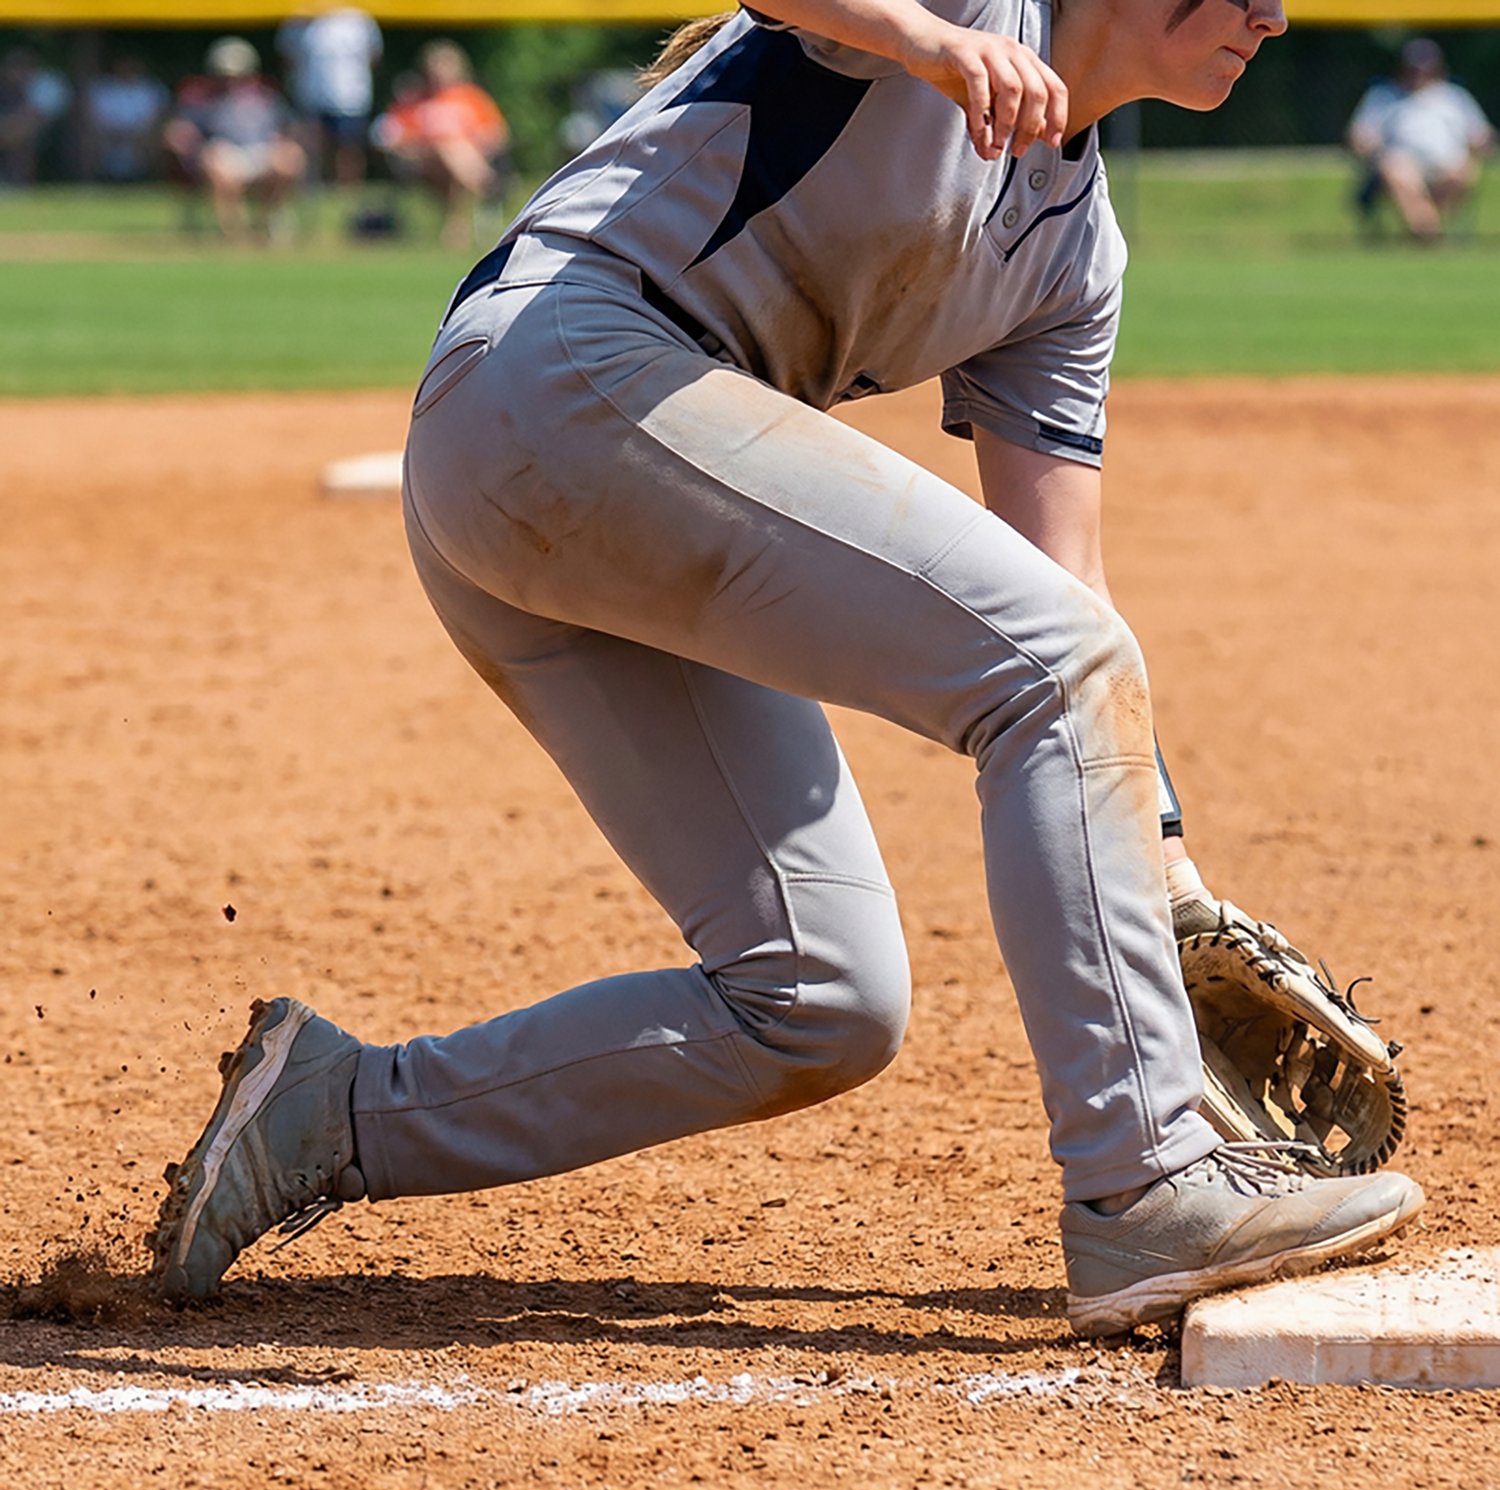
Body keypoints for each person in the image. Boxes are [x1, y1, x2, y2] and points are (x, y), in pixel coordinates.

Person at [153, 0, 1425, 1338]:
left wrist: (1159, 869)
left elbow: (1069, 593)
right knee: (1050, 672)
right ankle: (1148, 1180)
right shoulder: (970, 13)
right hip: (561, 381)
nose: (1272, 16)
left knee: (821, 996)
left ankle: (327, 1115)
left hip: (594, 484)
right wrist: (928, 45)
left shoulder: (1075, 252)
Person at [1347, 37, 1495, 241]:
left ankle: (1424, 231)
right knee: (1395, 168)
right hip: (1402, 165)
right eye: (1413, 68)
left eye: (1425, 68)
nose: (1419, 74)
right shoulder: (1383, 95)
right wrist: (1368, 147)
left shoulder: (1454, 96)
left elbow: (1480, 133)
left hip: (1446, 165)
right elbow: (1360, 133)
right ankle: (1429, 232)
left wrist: (1483, 143)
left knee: (1465, 170)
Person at [163, 37, 306, 242]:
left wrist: (285, 141)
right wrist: (182, 138)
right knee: (215, 160)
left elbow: (290, 127)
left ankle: (269, 218)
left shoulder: (266, 97)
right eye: (225, 74)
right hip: (224, 153)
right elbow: (180, 130)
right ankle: (234, 232)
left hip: (262, 151)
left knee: (291, 157)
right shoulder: (201, 99)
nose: (231, 80)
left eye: (238, 74)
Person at [370, 39, 508, 247]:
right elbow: (387, 136)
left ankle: (456, 225)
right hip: (422, 164)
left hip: (463, 161)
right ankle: (487, 187)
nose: (440, 73)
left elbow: (497, 135)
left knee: (452, 151)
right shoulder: (413, 100)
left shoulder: (472, 98)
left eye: (446, 66)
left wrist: (473, 143)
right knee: (445, 147)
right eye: (435, 67)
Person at [276, 6, 383, 187]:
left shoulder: (358, 17)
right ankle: (314, 190)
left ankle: (348, 191)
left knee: (349, 148)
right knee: (312, 148)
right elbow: (287, 56)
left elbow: (374, 54)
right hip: (310, 97)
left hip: (351, 97)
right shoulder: (297, 19)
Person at [83, 53, 169, 182]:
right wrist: (114, 134)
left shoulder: (151, 89)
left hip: (141, 135)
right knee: (87, 139)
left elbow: (158, 117)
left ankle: (149, 181)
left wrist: (135, 134)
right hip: (107, 135)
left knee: (157, 138)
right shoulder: (102, 88)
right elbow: (93, 118)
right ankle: (91, 182)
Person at [0, 46, 71, 187]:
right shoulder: (8, 89)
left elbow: (35, 117)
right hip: (13, 130)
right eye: (12, 67)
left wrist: (6, 128)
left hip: (54, 132)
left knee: (24, 133)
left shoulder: (46, 84)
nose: (15, 72)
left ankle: (20, 182)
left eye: (20, 67)